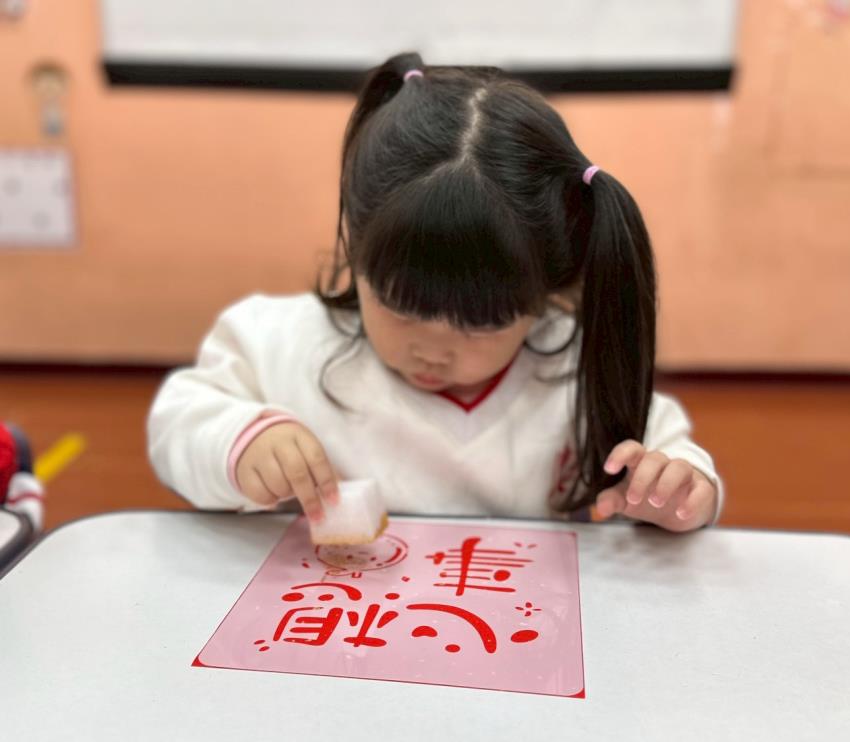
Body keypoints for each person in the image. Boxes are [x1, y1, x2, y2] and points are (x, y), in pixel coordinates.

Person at [148, 53, 723, 533]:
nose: (432, 350)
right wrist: (240, 443)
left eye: (479, 325)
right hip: (335, 619)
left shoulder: (573, 370)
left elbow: (664, 449)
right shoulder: (276, 344)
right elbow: (176, 423)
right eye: (399, 307)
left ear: (544, 295)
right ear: (357, 248)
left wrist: (675, 488)